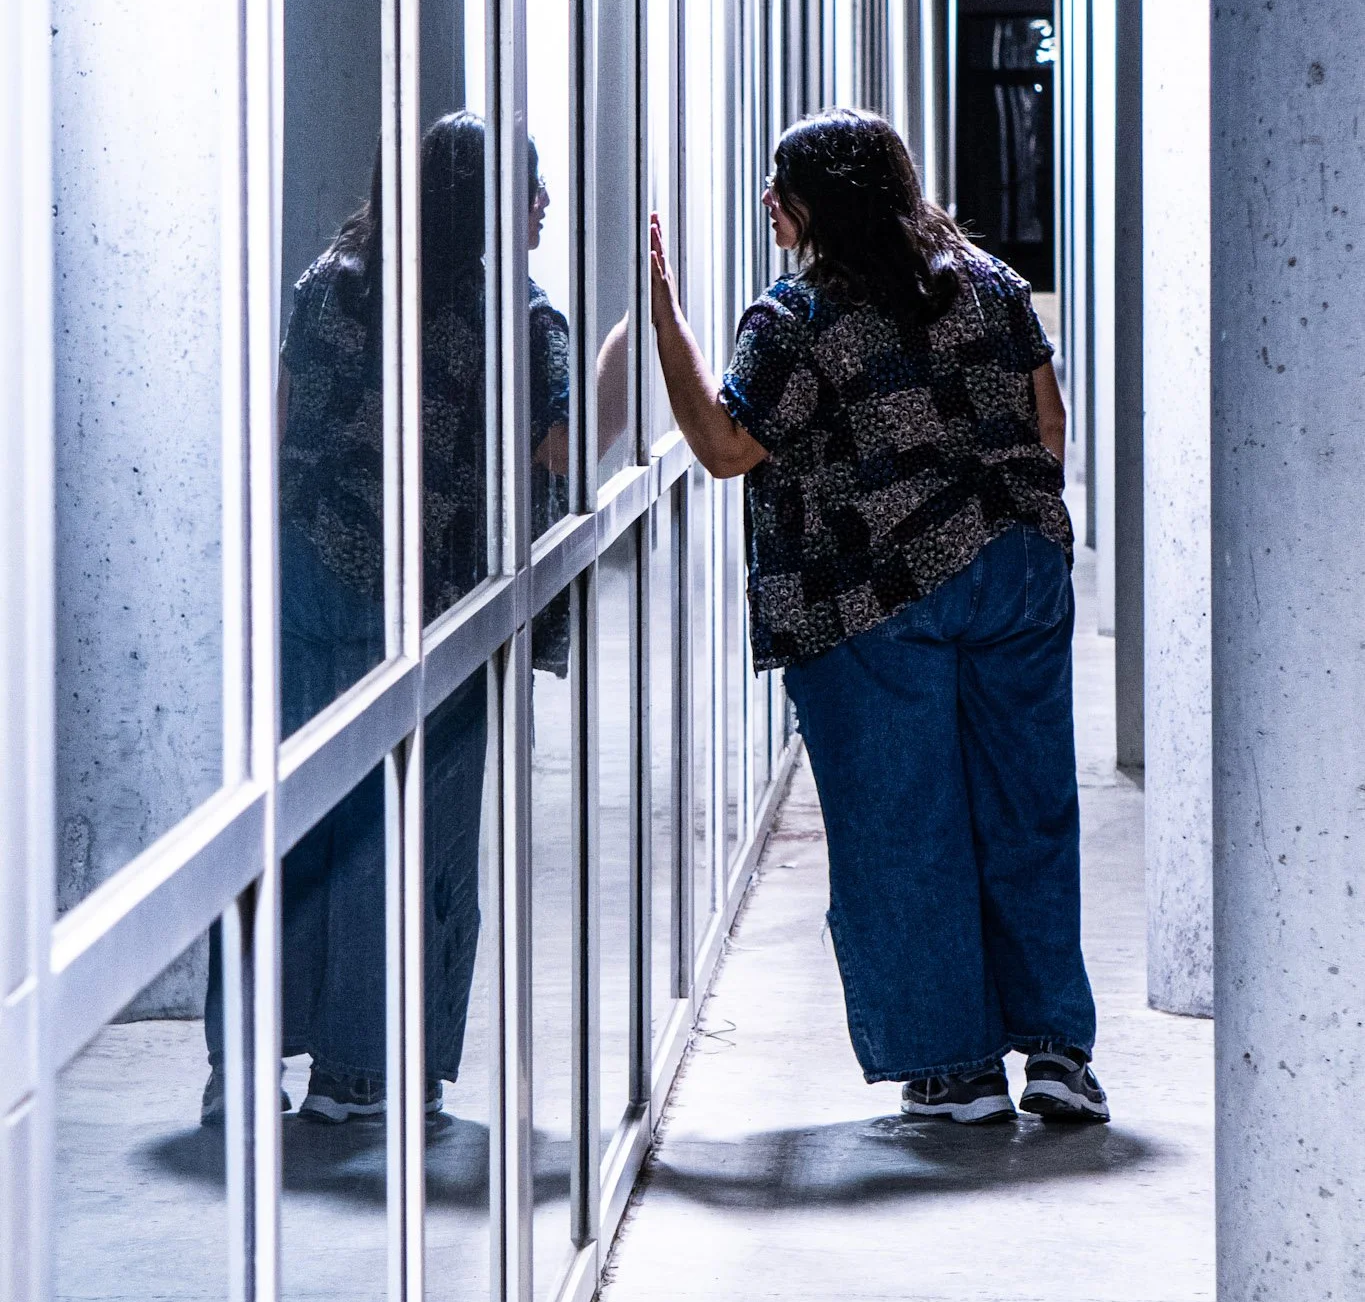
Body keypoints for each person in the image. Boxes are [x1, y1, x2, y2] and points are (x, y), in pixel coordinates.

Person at [649, 107, 1108, 1125]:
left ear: (819, 203)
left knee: (905, 826)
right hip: (1018, 574)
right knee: (1026, 809)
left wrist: (665, 319)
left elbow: (725, 447)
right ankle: (1058, 1053)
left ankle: (956, 1069)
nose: (770, 201)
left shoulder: (796, 316)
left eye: (782, 186)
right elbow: (1047, 418)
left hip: (873, 595)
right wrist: (1008, 527)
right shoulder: (989, 282)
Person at [202, 113, 612, 1125]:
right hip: (431, 606)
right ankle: (363, 1070)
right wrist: (621, 365)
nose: (544, 205)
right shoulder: (520, 318)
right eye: (531, 188)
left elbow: (280, 421)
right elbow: (566, 454)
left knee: (287, 821)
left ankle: (243, 1063)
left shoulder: (332, 281)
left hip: (304, 577)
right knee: (412, 833)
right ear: (490, 205)